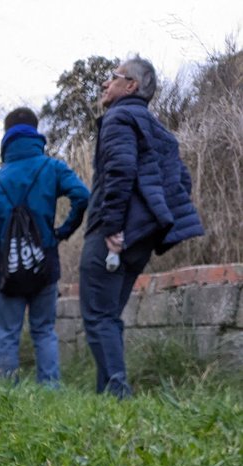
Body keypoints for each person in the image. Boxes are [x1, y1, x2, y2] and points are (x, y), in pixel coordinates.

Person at [79, 57, 203, 398]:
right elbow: (181, 179)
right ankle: (107, 396)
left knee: (97, 315)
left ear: (131, 86)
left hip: (115, 234)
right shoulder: (156, 126)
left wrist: (112, 228)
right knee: (109, 316)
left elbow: (120, 171)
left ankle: (119, 394)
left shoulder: (118, 117)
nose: (105, 84)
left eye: (113, 77)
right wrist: (146, 225)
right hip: (142, 236)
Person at [0, 108, 89, 386]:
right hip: (44, 261)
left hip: (8, 267)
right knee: (44, 330)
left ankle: (8, 393)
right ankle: (50, 389)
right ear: (35, 132)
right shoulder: (52, 168)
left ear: (7, 136)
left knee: (7, 333)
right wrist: (63, 231)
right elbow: (83, 196)